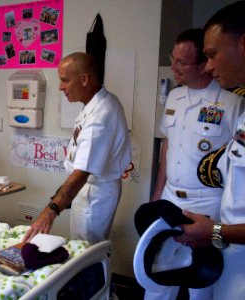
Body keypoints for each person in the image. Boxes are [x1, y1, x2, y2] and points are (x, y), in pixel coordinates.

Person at [148, 28, 244, 300]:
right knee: (157, 277)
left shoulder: (232, 103)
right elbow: (168, 146)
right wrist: (157, 195)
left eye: (182, 62)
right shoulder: (175, 97)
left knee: (200, 283)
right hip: (170, 198)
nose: (174, 67)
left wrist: (217, 226)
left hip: (208, 204)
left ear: (204, 64)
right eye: (173, 59)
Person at [173, 2, 245, 299]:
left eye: (213, 54)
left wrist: (214, 232)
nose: (210, 65)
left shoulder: (231, 105)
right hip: (232, 255)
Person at [23, 52, 132, 244]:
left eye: (65, 80)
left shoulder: (101, 114)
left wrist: (51, 211)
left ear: (84, 79)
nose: (60, 87)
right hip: (90, 189)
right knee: (86, 248)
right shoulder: (96, 104)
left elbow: (81, 172)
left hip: (94, 193)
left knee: (86, 250)